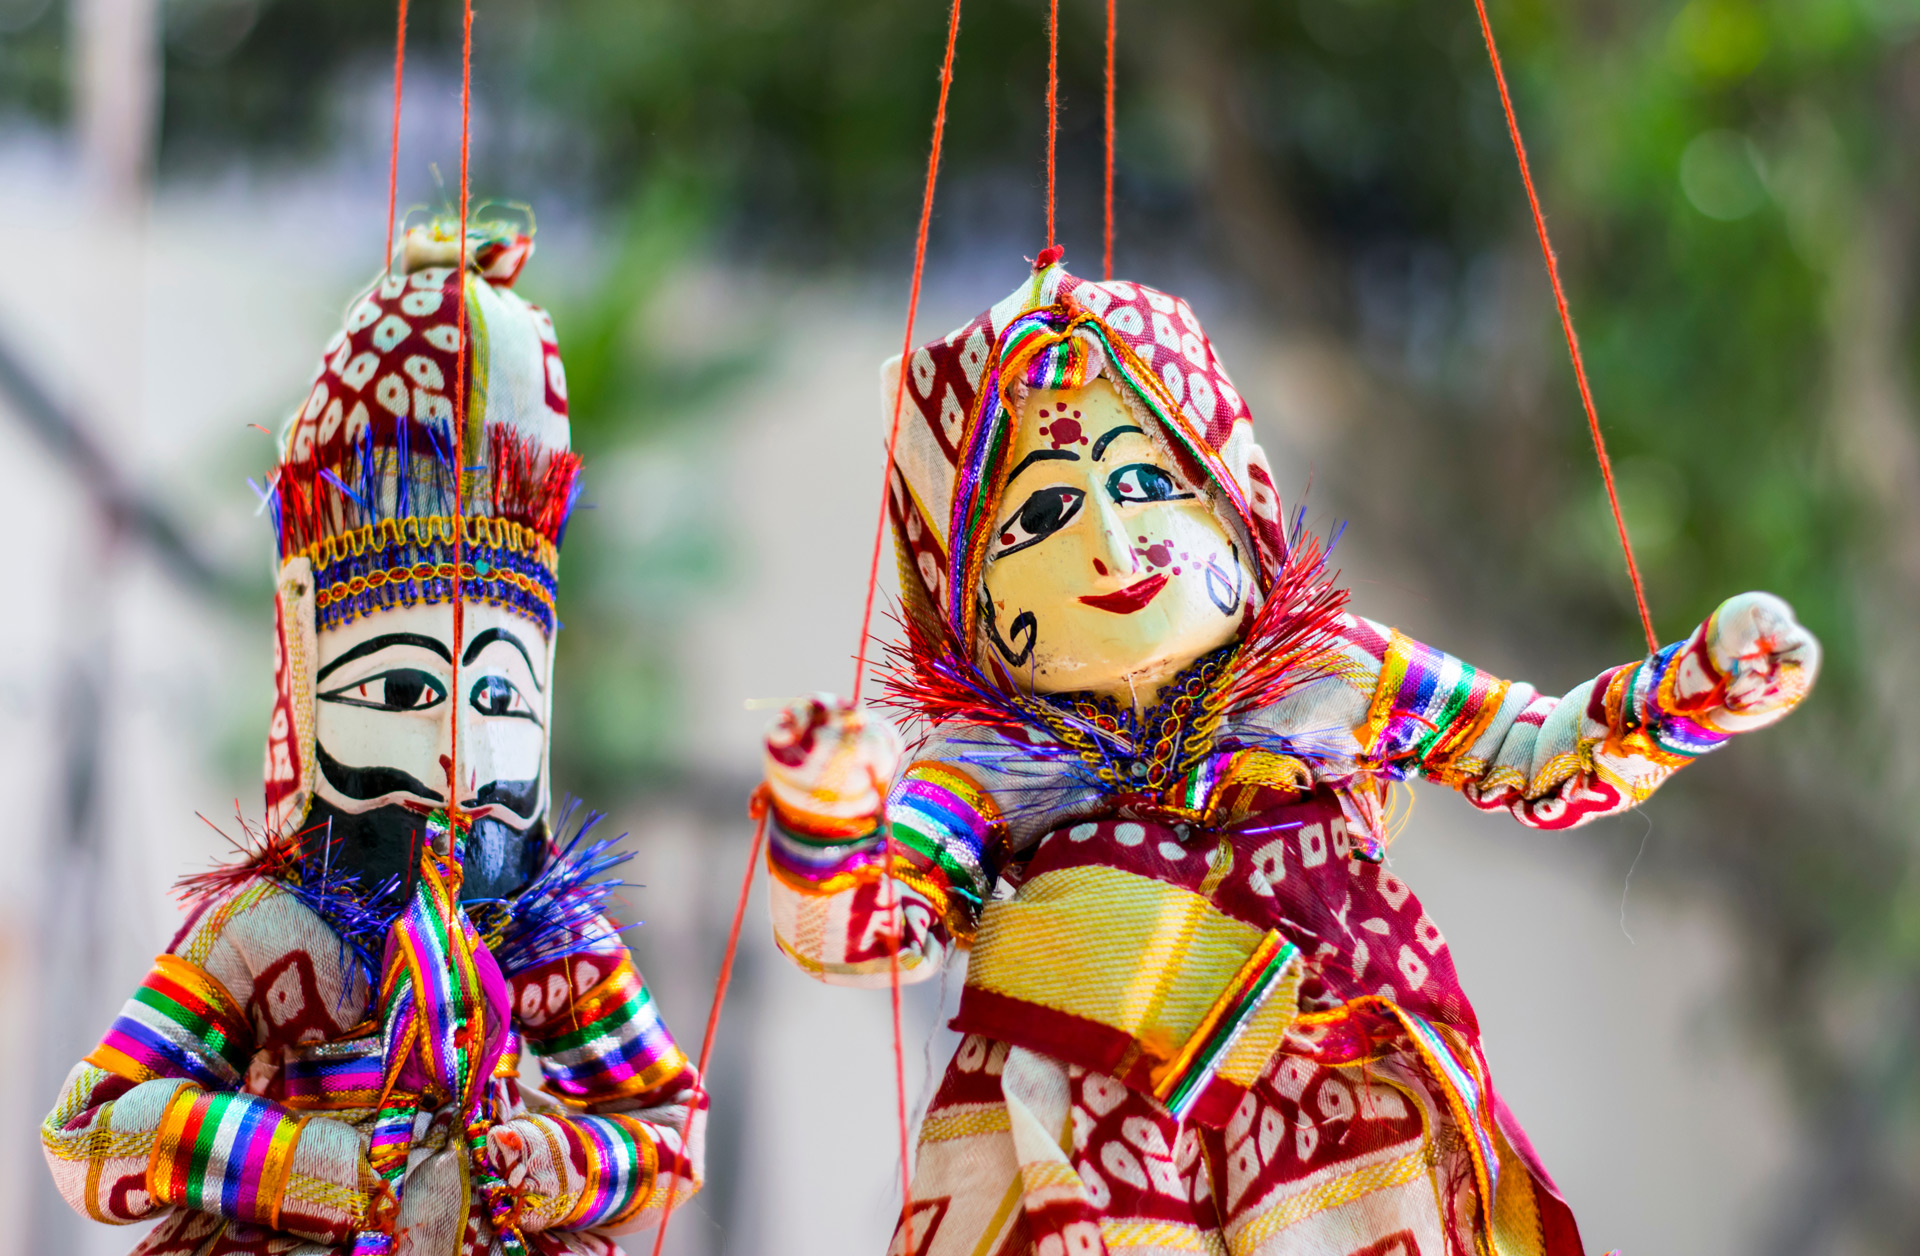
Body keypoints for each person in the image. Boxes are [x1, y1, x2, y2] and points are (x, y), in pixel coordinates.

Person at [762, 255, 1818, 1256]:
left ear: (1234, 497)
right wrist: (826, 815)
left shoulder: (1325, 675)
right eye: (1041, 512)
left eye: (1146, 482)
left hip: (1346, 1115)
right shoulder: (987, 760)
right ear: (964, 595)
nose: (1114, 547)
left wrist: (1689, 693)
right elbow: (875, 929)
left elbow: (1533, 752)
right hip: (1083, 1137)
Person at [41, 221, 702, 1256]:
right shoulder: (264, 932)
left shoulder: (549, 935)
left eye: (499, 693)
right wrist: (319, 1168)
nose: (455, 752)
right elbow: (88, 1128)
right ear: (308, 689)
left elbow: (671, 1123)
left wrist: (557, 1163)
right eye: (400, 686)